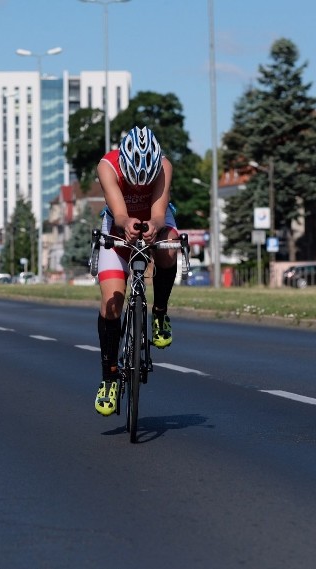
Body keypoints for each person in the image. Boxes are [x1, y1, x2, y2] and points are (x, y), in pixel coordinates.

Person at [93, 126, 179, 416]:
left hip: (154, 218)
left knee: (170, 247)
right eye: (134, 181)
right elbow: (118, 215)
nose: (140, 187)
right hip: (119, 223)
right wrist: (126, 222)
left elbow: (157, 214)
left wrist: (154, 226)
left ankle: (160, 314)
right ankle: (110, 378)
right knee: (112, 303)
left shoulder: (164, 166)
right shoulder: (107, 166)